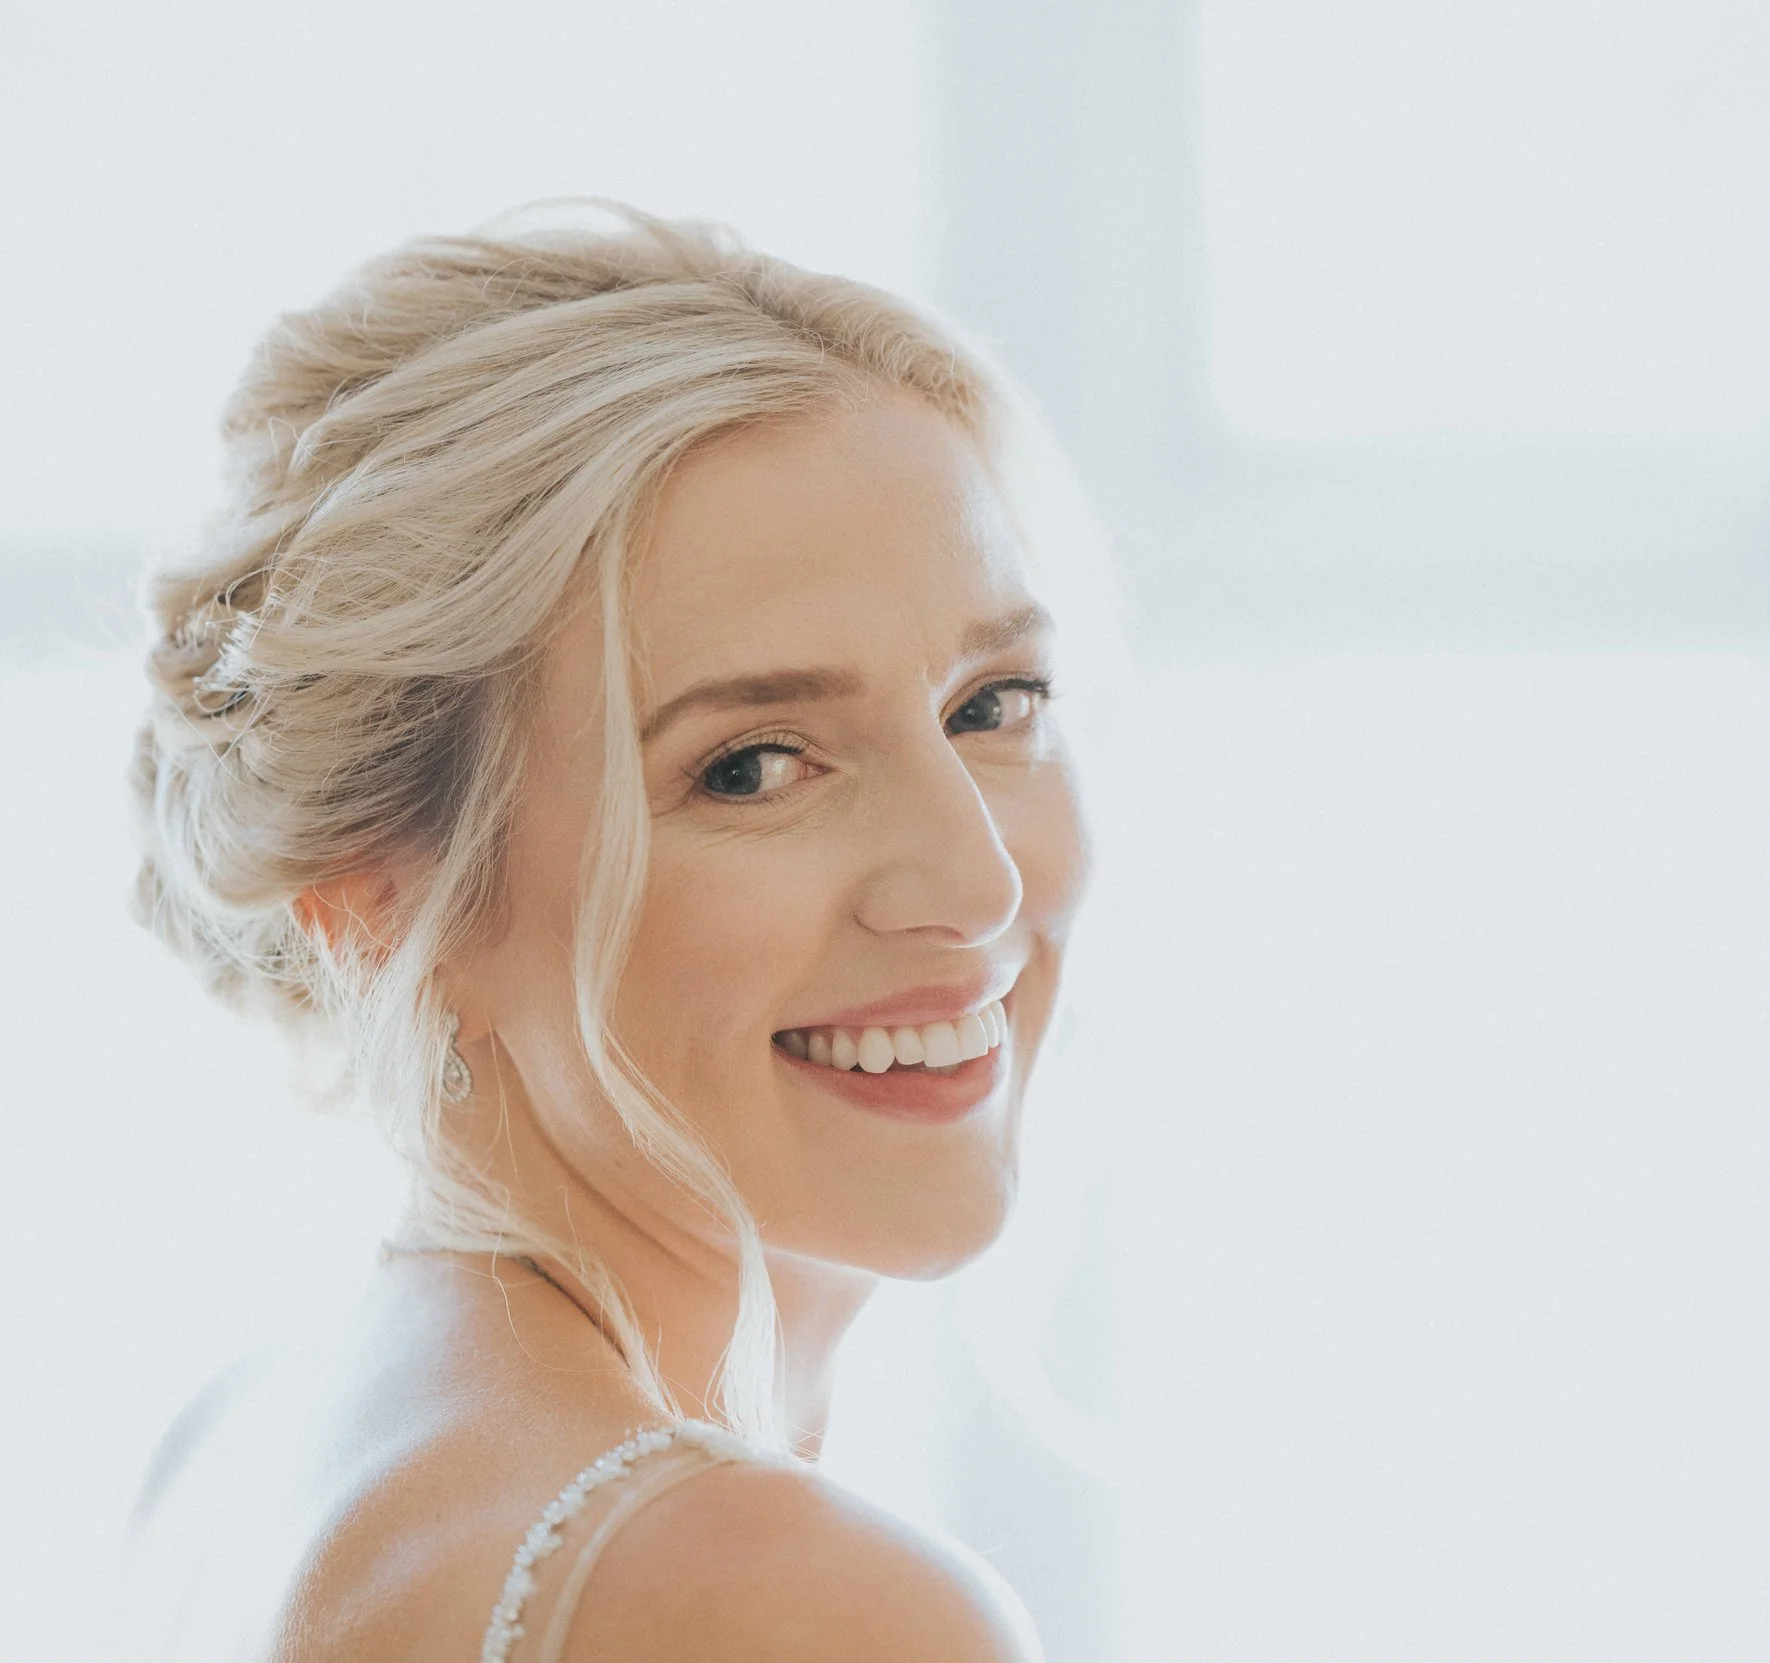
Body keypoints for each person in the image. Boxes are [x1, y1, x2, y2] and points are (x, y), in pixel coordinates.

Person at [112, 203, 1100, 1662]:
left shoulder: (234, 1452)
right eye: (753, 766)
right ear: (382, 910)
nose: (978, 882)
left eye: (992, 704)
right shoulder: (807, 1612)